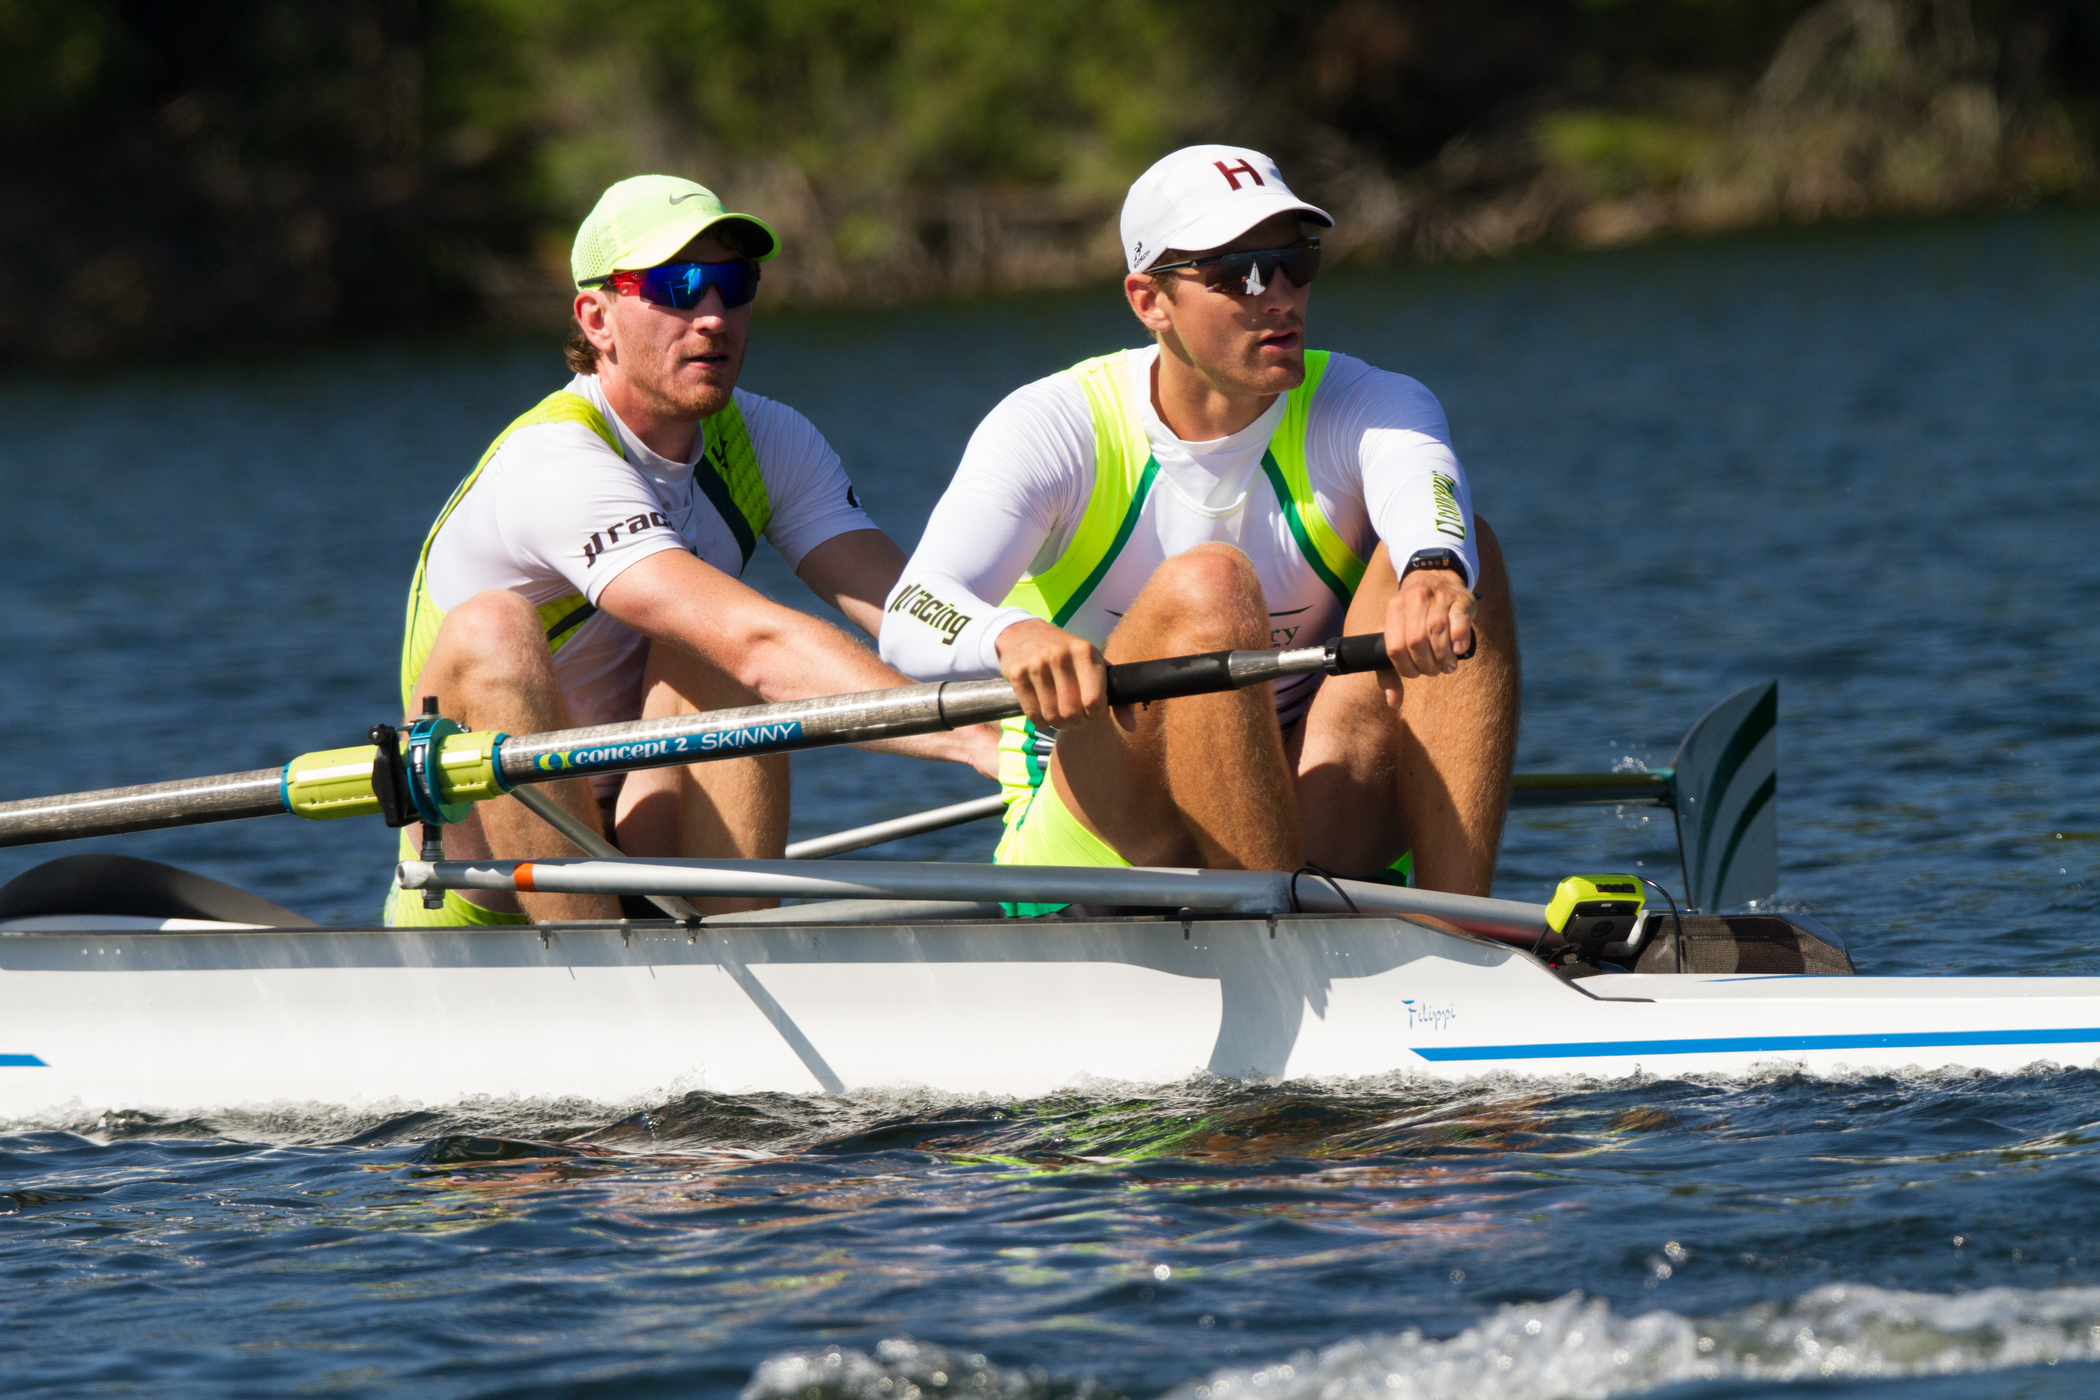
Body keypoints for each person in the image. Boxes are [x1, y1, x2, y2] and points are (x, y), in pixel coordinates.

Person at [878, 145, 1519, 909]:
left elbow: (1426, 488)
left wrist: (1434, 569)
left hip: (1302, 801)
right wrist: (1009, 637)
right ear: (1150, 300)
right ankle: (1275, 938)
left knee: (1463, 557)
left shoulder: (1369, 401)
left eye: (1295, 262)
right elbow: (911, 609)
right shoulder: (1054, 427)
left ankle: (1464, 934)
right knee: (1208, 586)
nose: (1278, 296)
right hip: (1104, 833)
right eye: (1239, 273)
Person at [389, 173, 993, 926]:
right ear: (597, 318)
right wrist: (972, 739)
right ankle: (586, 958)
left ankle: (741, 939)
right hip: (487, 864)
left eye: (733, 285)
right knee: (498, 627)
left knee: (712, 637)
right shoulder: (553, 462)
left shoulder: (770, 437)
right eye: (675, 287)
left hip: (642, 811)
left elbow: (912, 609)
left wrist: (1034, 668)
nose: (712, 316)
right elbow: (761, 646)